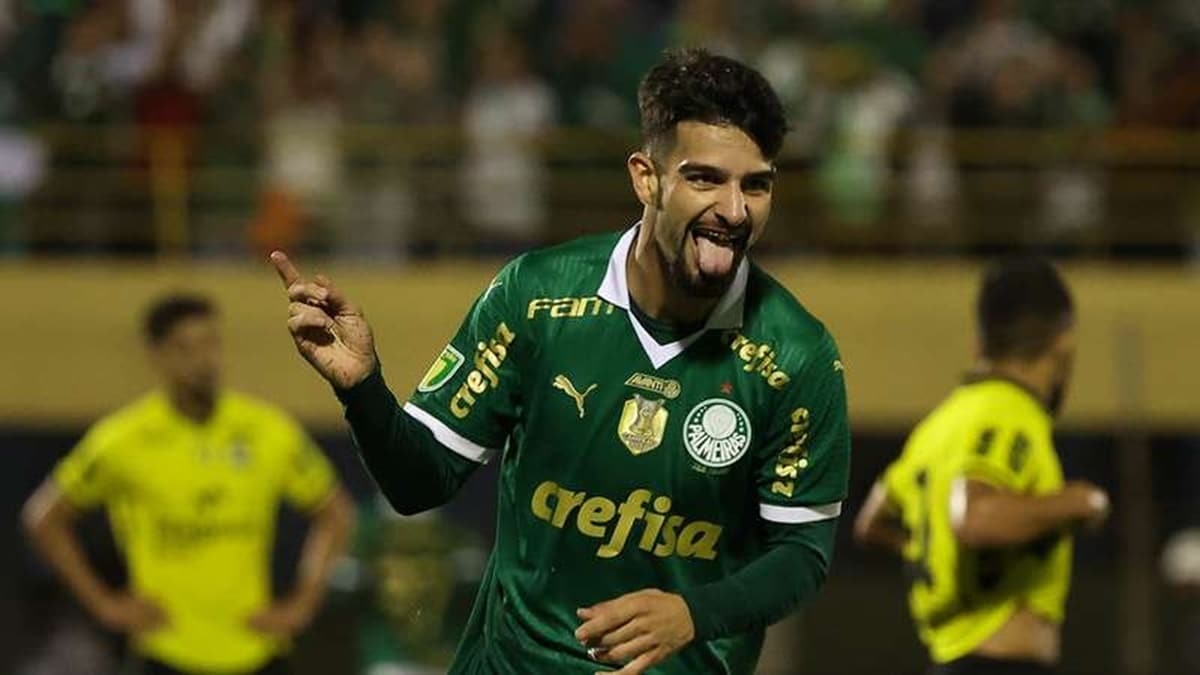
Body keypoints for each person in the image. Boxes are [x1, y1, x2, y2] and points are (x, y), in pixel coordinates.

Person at [272, 48, 851, 674]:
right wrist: (364, 391)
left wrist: (693, 614)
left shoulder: (796, 355)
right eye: (705, 178)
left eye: (755, 185)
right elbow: (417, 483)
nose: (735, 211)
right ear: (646, 177)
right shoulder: (537, 296)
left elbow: (801, 556)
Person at [22, 293, 355, 675]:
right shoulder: (122, 440)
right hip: (165, 651)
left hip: (255, 650)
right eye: (186, 347)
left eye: (210, 343)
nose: (203, 360)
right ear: (157, 355)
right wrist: (106, 605)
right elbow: (43, 518)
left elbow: (335, 513)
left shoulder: (269, 432)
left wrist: (303, 603)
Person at [853, 258, 1110, 675]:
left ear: (979, 343)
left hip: (953, 658)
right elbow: (976, 517)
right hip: (998, 662)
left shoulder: (937, 427)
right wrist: (1080, 502)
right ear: (1063, 342)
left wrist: (931, 554)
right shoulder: (1009, 409)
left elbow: (871, 523)